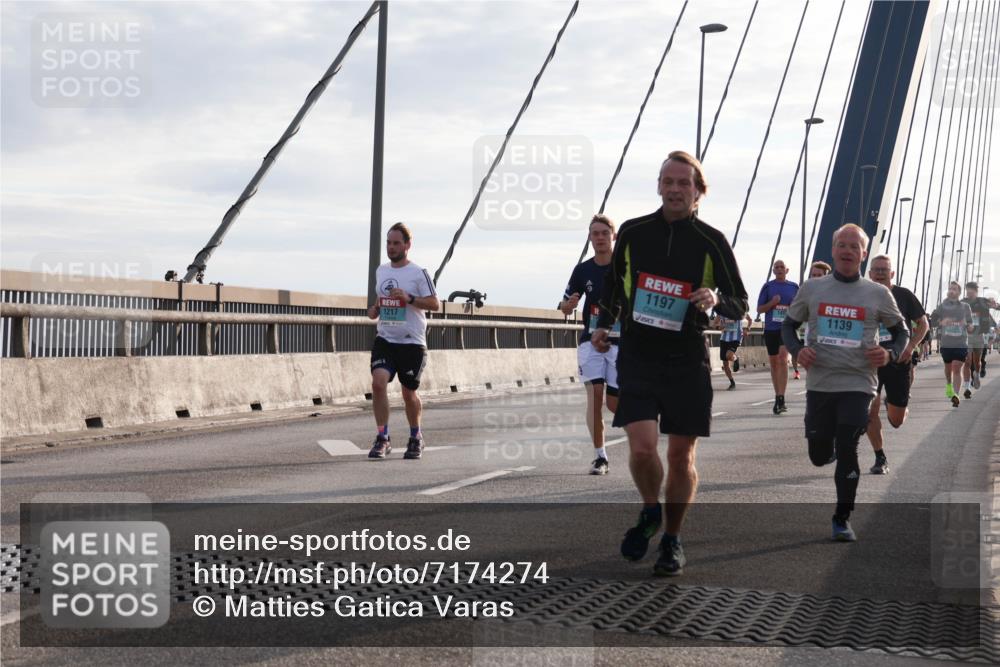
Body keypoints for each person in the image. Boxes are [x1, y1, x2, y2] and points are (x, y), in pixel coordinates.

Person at [592, 151, 748, 576]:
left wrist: (716, 298)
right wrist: (604, 324)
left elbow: (740, 300)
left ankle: (673, 539)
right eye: (669, 181)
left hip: (686, 359)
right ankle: (649, 510)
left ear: (699, 192)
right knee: (642, 449)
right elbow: (614, 288)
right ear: (658, 186)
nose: (676, 189)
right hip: (639, 356)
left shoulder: (712, 240)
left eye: (685, 183)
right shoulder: (633, 232)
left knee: (681, 458)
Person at [781, 224, 907, 541]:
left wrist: (890, 353)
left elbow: (902, 332)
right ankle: (830, 447)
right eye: (842, 245)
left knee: (849, 444)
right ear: (834, 250)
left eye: (855, 246)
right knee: (819, 455)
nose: (848, 250)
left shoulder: (878, 293)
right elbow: (788, 325)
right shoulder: (812, 289)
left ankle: (842, 517)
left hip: (859, 383)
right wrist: (798, 350)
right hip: (821, 384)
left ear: (863, 254)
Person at [366, 223, 441, 459]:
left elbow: (434, 304)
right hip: (386, 338)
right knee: (378, 384)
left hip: (411, 342)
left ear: (407, 245)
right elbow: (377, 303)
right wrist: (375, 308)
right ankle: (382, 438)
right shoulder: (382, 271)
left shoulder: (419, 273)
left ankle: (416, 436)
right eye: (388, 243)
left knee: (408, 393)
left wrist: (409, 298)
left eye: (396, 243)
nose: (391, 247)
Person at [559, 214, 620, 475]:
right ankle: (600, 457)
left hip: (620, 342)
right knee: (595, 397)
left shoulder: (626, 268)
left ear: (613, 236)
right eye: (595, 234)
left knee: (614, 406)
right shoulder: (582, 270)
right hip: (590, 342)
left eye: (604, 233)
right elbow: (562, 306)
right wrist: (568, 306)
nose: (599, 238)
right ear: (590, 237)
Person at [863, 255, 929, 475]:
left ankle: (897, 404)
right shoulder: (862, 295)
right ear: (870, 274)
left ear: (892, 273)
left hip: (899, 361)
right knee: (869, 411)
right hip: (871, 361)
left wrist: (910, 347)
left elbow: (923, 323)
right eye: (876, 270)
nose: (880, 273)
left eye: (884, 270)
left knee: (896, 420)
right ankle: (880, 457)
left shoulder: (904, 295)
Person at [757, 260, 799, 414]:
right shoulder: (768, 287)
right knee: (774, 362)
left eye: (782, 267)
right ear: (773, 270)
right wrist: (772, 303)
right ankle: (778, 396)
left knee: (782, 358)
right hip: (771, 329)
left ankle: (782, 398)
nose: (780, 269)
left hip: (786, 328)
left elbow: (800, 308)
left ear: (787, 270)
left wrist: (794, 305)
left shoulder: (794, 287)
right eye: (777, 267)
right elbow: (760, 309)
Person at [929, 281, 974, 406]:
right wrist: (941, 322)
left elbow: (970, 324)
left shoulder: (965, 307)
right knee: (948, 369)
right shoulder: (942, 306)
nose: (951, 291)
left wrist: (969, 326)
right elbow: (932, 320)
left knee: (956, 368)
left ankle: (955, 395)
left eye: (954, 289)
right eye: (950, 288)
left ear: (959, 293)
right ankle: (949, 384)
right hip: (946, 344)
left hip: (960, 343)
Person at [961, 282, 993, 393]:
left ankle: (977, 375)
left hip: (979, 336)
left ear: (976, 291)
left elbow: (997, 306)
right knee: (967, 361)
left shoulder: (983, 301)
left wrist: (995, 304)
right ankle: (967, 387)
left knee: (977, 362)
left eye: (971, 291)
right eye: (967, 291)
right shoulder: (962, 302)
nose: (969, 293)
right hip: (966, 337)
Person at [712, 311, 752, 389]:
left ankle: (735, 358)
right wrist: (718, 327)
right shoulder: (721, 311)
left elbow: (750, 320)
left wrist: (747, 329)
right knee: (725, 364)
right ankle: (732, 382)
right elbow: (714, 324)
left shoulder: (739, 310)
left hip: (736, 338)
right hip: (724, 338)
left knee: (729, 355)